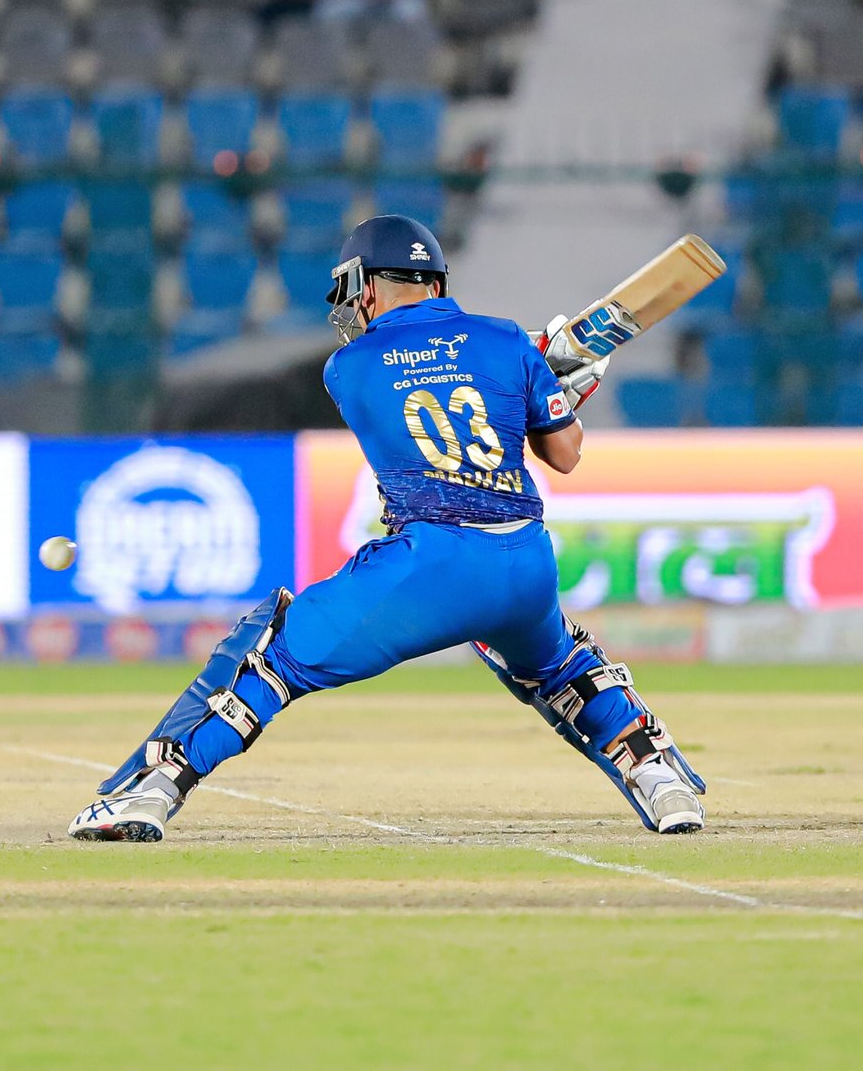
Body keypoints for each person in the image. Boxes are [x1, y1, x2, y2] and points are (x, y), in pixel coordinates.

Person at [68, 215, 706, 841]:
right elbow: (563, 452)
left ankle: (150, 791)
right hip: (526, 560)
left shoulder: (348, 366)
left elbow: (427, 381)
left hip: (433, 561)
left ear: (368, 287)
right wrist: (558, 384)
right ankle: (662, 780)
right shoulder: (509, 342)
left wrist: (539, 368)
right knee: (561, 668)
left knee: (274, 653)